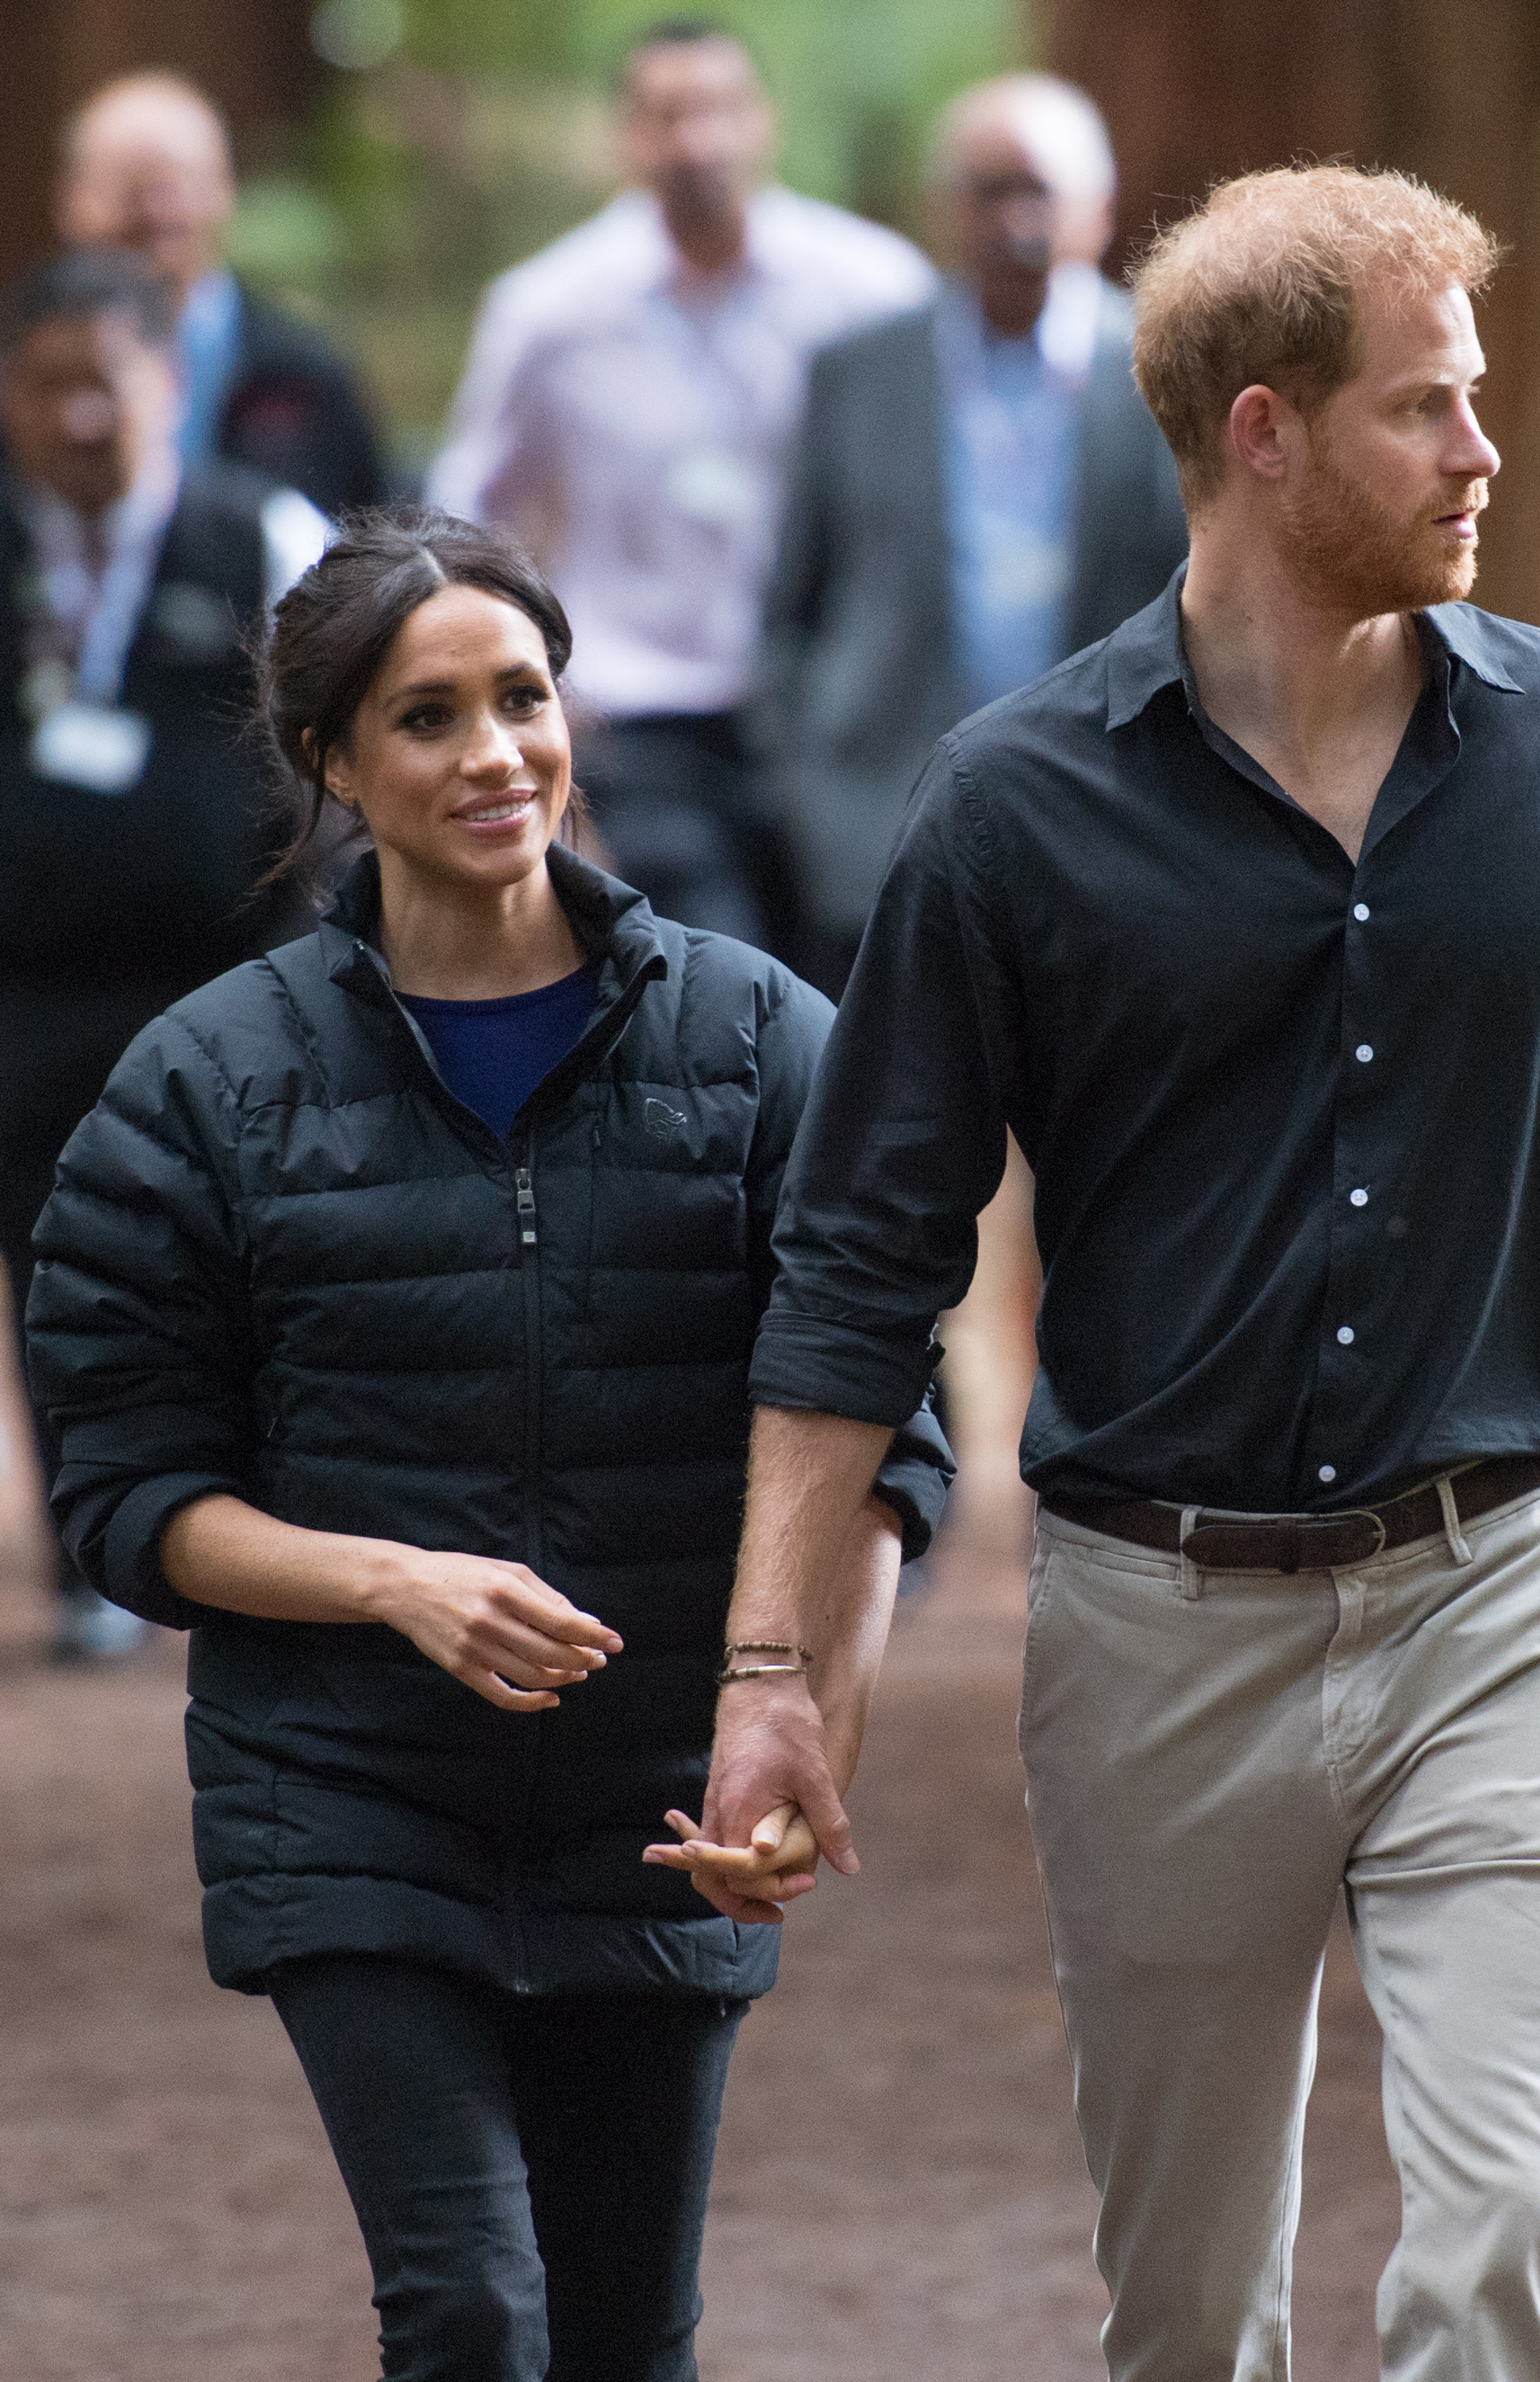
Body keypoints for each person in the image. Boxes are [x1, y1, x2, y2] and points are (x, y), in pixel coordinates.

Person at [667, 167, 1540, 2382]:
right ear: (1264, 433)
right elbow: (853, 1277)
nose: (1484, 454)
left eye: (1477, 403)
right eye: (1428, 411)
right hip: (1155, 1640)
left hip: (1501, 1595)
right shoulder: (1011, 808)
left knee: (1497, 2255)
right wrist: (769, 1672)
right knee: (1191, 2316)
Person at [25, 509, 949, 2381]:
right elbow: (127, 1494)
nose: (495, 752)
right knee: (466, 2312)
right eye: (427, 716)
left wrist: (795, 1727)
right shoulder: (204, 1086)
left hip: (655, 1805)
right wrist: (391, 1581)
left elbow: (882, 1432)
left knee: (625, 2341)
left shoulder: (760, 1042)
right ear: (333, 761)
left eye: (523, 696)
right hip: (349, 1791)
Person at [429, 18, 931, 954]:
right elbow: (468, 515)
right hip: (640, 723)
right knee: (704, 987)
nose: (696, 143)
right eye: (665, 116)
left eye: (718, 111)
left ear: (762, 122)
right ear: (625, 136)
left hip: (829, 712)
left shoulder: (872, 291)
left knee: (852, 985)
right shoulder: (551, 310)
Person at [0, 245, 329, 1660]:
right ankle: (94, 1552)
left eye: (109, 385)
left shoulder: (263, 538)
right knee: (48, 1258)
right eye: (48, 387)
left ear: (171, 386)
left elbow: (340, 758)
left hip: (221, 983)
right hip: (21, 995)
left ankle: (260, 1528)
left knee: (241, 1256)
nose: (81, 418)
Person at [759, 71, 1186, 999]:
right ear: (942, 208)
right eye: (989, 189)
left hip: (1107, 828)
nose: (1015, 217)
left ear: (1099, 208)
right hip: (877, 833)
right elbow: (793, 601)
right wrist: (808, 787)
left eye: (1040, 189)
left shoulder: (1164, 370)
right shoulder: (860, 370)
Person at [56, 72, 390, 519]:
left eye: (174, 186)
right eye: (129, 191)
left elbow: (373, 546)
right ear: (70, 202)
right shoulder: (17, 370)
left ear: (225, 192)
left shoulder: (306, 376)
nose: (155, 214)